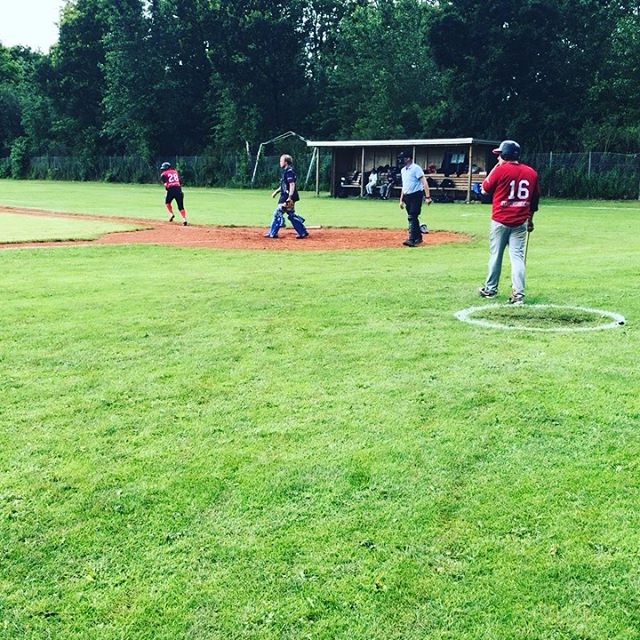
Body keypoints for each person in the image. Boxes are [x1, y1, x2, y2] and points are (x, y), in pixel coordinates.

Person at [478, 140, 540, 304]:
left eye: (499, 155)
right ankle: (518, 294)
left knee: (495, 256)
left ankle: (490, 289)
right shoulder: (531, 172)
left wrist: (496, 168)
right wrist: (530, 221)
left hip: (500, 220)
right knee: (517, 258)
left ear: (505, 155)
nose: (498, 158)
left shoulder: (500, 170)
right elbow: (534, 201)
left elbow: (484, 189)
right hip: (520, 222)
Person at [264, 154, 309, 239]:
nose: (280, 162)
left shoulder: (289, 171)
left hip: (287, 196)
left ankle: (273, 233)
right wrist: (276, 192)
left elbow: (292, 184)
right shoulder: (286, 171)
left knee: (278, 212)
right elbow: (284, 185)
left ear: (286, 162)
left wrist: (290, 197)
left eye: (281, 160)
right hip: (285, 195)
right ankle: (302, 232)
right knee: (290, 214)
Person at [398, 150, 432, 246]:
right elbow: (404, 186)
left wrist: (427, 196)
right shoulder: (403, 170)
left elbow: (424, 182)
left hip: (416, 195)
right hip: (407, 196)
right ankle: (418, 238)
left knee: (412, 215)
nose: (401, 160)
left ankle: (412, 239)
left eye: (403, 158)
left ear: (408, 158)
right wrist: (401, 199)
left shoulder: (416, 168)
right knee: (412, 217)